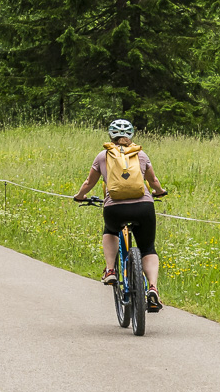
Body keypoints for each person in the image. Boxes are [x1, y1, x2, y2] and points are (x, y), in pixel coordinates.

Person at [72, 118, 169, 311]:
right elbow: (153, 180)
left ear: (111, 136)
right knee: (148, 248)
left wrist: (80, 196)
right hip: (144, 208)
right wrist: (158, 191)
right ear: (131, 135)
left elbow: (89, 183)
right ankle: (153, 288)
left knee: (110, 229)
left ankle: (110, 270)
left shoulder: (102, 156)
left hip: (114, 208)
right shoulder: (140, 154)